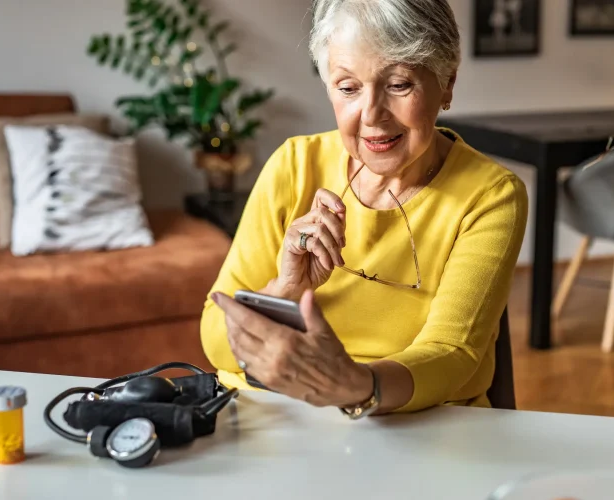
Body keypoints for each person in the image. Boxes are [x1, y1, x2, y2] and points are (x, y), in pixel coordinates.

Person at [200, 0, 528, 417]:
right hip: (271, 420)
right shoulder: (294, 165)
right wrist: (284, 291)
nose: (371, 115)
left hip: (418, 428)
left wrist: (356, 386)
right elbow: (215, 336)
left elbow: (452, 355)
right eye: (348, 88)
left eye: (399, 85)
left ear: (446, 83)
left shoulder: (490, 196)